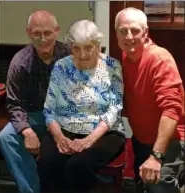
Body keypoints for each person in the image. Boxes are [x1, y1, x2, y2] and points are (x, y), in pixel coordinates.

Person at [38, 20, 126, 193]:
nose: (82, 54)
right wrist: (59, 138)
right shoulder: (61, 67)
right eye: (76, 48)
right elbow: (49, 109)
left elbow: (115, 109)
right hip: (65, 127)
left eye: (88, 47)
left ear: (98, 45)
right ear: (70, 47)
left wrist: (89, 140)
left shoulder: (112, 66)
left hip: (105, 132)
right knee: (48, 163)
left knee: (78, 166)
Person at [0, 10, 70, 193]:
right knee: (6, 137)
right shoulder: (20, 62)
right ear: (29, 33)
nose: (43, 39)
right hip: (33, 115)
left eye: (47, 33)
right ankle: (30, 189)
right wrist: (27, 131)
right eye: (37, 33)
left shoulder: (69, 56)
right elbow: (14, 104)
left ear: (56, 31)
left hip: (63, 116)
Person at [115, 7, 185, 193]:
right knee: (141, 186)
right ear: (116, 34)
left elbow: (172, 110)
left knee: (158, 185)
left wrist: (156, 156)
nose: (129, 36)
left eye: (135, 30)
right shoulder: (126, 56)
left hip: (170, 141)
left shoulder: (159, 59)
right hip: (141, 140)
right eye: (123, 31)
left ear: (145, 32)